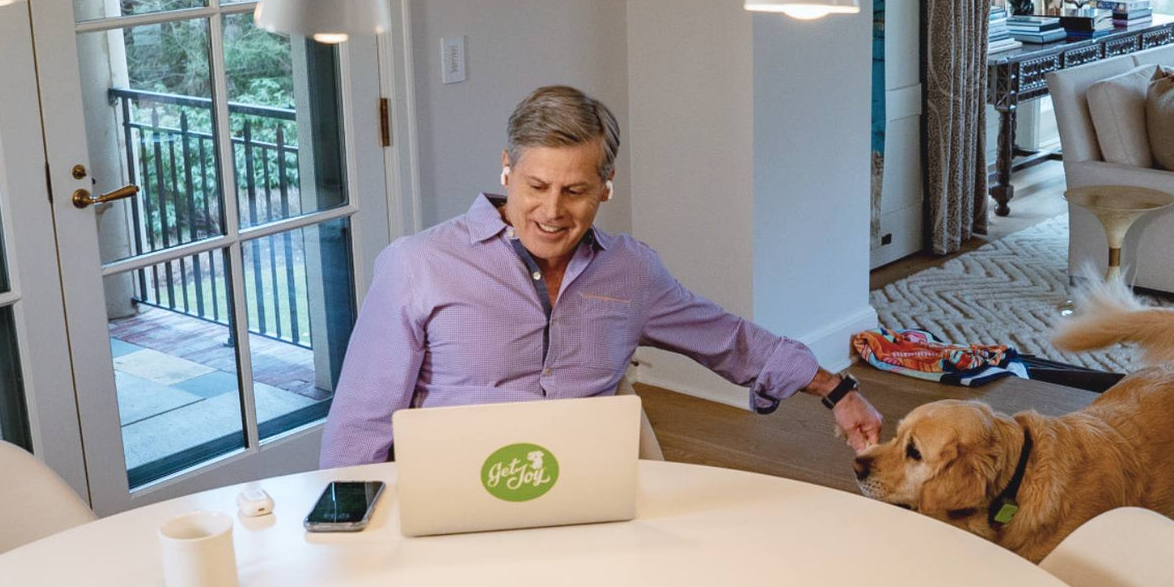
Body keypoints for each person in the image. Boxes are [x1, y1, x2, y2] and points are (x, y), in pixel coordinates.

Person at [319, 85, 884, 467]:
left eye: (576, 191)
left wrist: (836, 390)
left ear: (606, 185)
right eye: (535, 187)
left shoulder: (630, 272)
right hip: (455, 495)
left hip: (587, 495)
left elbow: (728, 339)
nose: (551, 211)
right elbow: (360, 424)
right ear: (507, 170)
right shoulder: (418, 264)